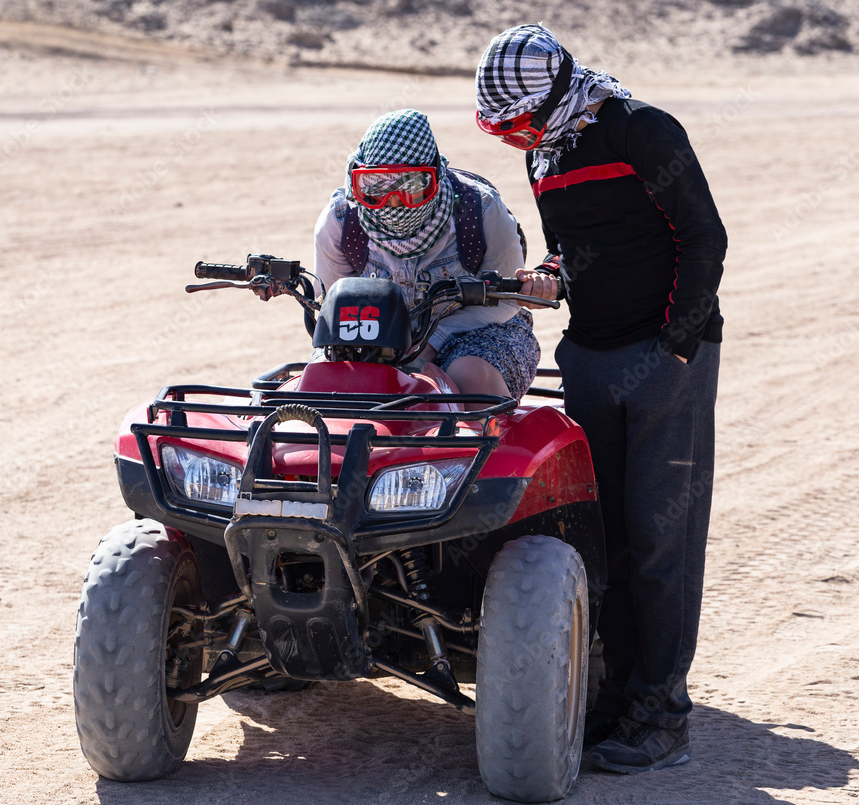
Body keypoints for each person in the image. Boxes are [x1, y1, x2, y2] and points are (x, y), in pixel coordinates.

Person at [475, 24, 727, 774]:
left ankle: (663, 716)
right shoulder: (544, 154)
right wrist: (549, 273)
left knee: (661, 541)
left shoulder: (643, 130)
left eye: (519, 121)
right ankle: (613, 699)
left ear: (552, 95)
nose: (515, 137)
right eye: (506, 129)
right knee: (604, 538)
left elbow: (704, 238)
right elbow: (572, 247)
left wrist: (676, 345)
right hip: (588, 359)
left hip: (664, 362)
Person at [310, 108, 549, 400]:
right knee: (323, 384)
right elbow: (335, 305)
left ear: (436, 175)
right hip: (376, 336)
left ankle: (489, 443)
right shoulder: (340, 220)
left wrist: (431, 342)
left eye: (411, 187)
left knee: (471, 381)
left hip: (481, 329)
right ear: (355, 180)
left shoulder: (481, 210)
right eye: (374, 187)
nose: (393, 203)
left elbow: (505, 304)